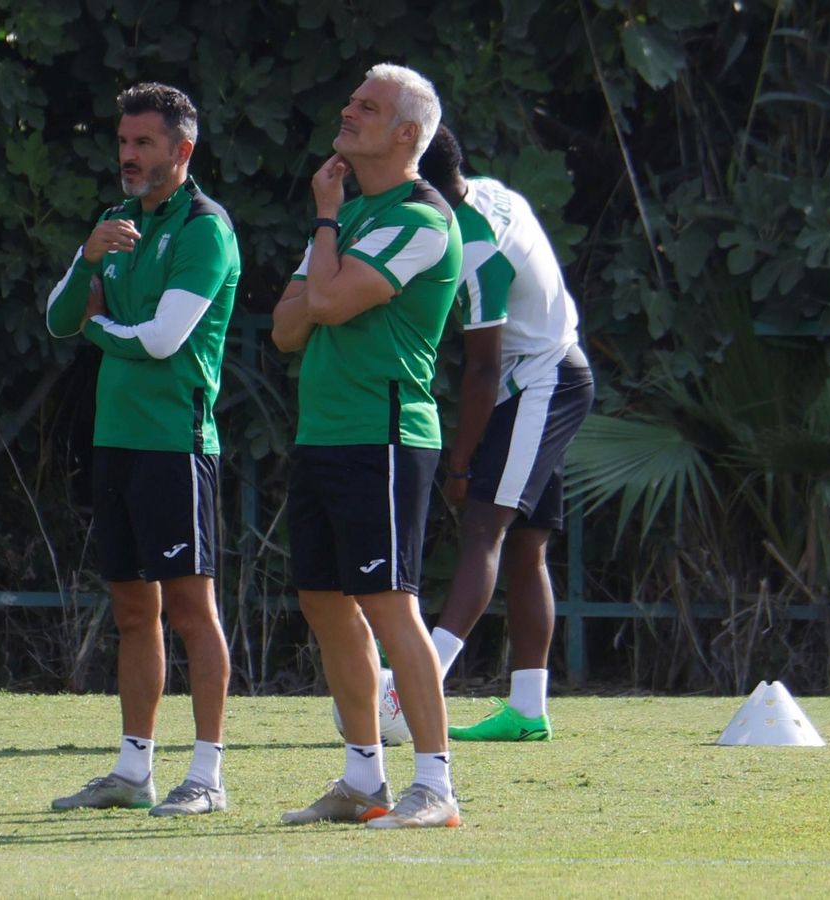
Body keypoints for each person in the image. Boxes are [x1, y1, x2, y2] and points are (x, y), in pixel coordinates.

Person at [270, 63, 463, 828]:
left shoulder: (421, 219)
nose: (347, 113)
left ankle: (437, 786)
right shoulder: (349, 222)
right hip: (324, 434)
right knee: (323, 602)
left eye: (367, 107)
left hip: (385, 437)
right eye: (349, 100)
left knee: (390, 605)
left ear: (407, 133)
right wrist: (329, 245)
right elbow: (289, 329)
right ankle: (364, 782)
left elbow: (319, 299)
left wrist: (324, 223)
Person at [45, 82, 240, 817]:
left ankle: (208, 775)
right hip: (116, 442)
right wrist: (89, 258)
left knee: (193, 611)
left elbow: (161, 341)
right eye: (123, 142)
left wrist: (98, 326)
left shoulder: (205, 229)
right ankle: (133, 771)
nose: (127, 156)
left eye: (143, 144)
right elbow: (60, 316)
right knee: (133, 611)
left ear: (181, 150)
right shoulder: (115, 220)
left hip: (175, 444)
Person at [417, 125, 595, 741]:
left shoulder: (472, 246)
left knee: (483, 527)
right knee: (524, 546)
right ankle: (527, 710)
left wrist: (460, 461)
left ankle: (419, 685)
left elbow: (484, 369)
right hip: (555, 369)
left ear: (418, 179)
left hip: (539, 382)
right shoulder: (489, 192)